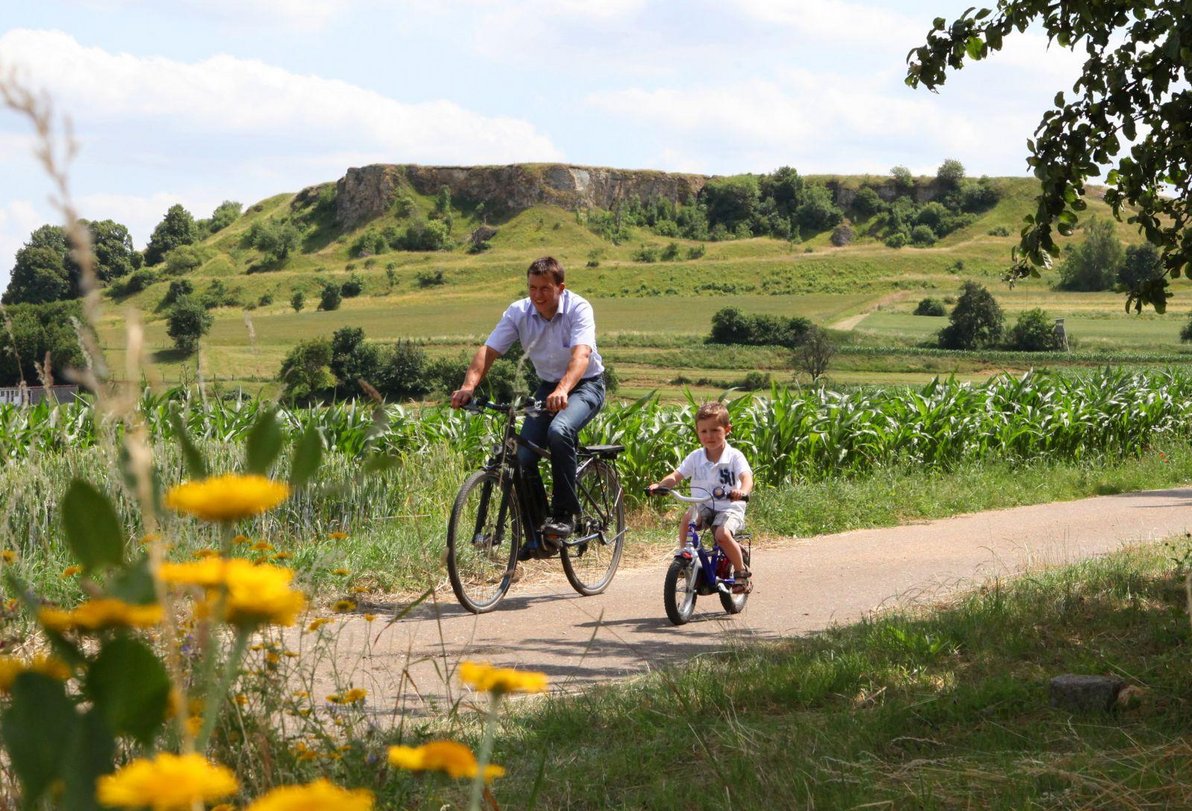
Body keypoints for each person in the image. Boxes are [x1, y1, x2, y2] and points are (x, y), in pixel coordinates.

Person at [450, 256, 605, 556]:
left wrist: (563, 389)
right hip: (547, 387)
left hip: (586, 384)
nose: (537, 295)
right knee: (522, 456)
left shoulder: (579, 308)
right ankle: (539, 536)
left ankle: (565, 516)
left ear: (561, 288)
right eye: (532, 287)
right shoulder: (518, 312)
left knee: (560, 431)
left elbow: (581, 355)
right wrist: (469, 386)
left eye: (545, 288)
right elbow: (489, 350)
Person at [648, 401, 754, 593]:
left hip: (729, 507)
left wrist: (743, 492)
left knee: (721, 534)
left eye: (715, 430)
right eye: (703, 431)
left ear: (727, 429)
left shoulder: (734, 456)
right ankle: (684, 556)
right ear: (697, 432)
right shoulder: (695, 457)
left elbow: (746, 477)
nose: (709, 436)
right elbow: (676, 476)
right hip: (702, 505)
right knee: (688, 519)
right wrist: (661, 485)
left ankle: (741, 572)